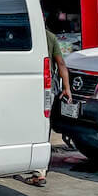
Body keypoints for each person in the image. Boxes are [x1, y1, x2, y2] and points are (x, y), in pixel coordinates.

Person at [15, 29, 72, 187]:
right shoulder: (50, 36)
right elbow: (61, 63)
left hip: (25, 86)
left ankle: (22, 163)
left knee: (25, 124)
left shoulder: (22, 32)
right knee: (44, 126)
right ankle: (39, 172)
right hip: (46, 88)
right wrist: (67, 88)